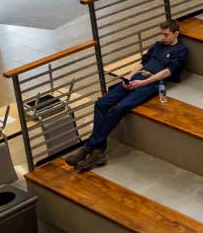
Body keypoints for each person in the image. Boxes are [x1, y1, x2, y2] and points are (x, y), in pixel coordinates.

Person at [65, 20, 188, 172]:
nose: (162, 37)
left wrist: (144, 82)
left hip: (152, 83)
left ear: (176, 34)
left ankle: (89, 146)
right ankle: (97, 152)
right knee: (101, 103)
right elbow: (142, 62)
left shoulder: (181, 50)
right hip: (137, 77)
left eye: (166, 35)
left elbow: (168, 72)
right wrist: (129, 76)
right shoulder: (158, 45)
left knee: (119, 108)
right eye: (161, 34)